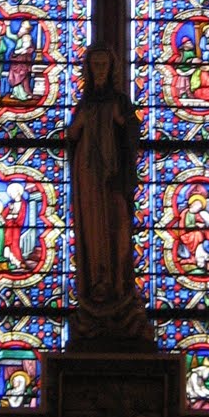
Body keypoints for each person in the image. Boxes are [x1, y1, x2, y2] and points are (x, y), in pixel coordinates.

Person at [66, 46, 153, 344]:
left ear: (112, 69)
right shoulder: (85, 104)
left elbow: (132, 130)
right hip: (89, 178)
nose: (100, 70)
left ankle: (117, 284)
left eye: (104, 64)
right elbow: (72, 135)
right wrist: (81, 124)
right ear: (89, 70)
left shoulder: (121, 102)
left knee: (117, 229)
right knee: (93, 231)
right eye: (96, 65)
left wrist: (122, 123)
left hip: (113, 178)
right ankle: (96, 281)